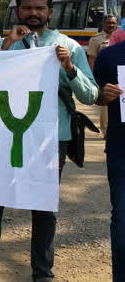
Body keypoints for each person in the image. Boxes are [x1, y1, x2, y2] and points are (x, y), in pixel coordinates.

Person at [0, 0, 99, 282]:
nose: (33, 14)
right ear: (18, 11)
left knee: (43, 206)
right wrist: (8, 44)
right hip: (6, 134)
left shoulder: (68, 46)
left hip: (51, 140)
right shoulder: (5, 44)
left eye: (39, 8)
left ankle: (42, 273)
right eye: (27, 8)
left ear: (49, 11)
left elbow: (90, 95)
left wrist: (69, 68)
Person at [91, 37, 125, 281]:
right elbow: (93, 94)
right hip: (121, 151)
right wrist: (103, 95)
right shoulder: (108, 56)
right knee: (122, 221)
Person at [88, 14, 118, 136]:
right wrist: (93, 77)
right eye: (109, 23)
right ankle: (106, 131)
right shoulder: (95, 39)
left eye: (113, 23)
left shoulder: (121, 36)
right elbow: (92, 58)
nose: (111, 25)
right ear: (103, 24)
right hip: (105, 77)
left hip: (119, 75)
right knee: (105, 105)